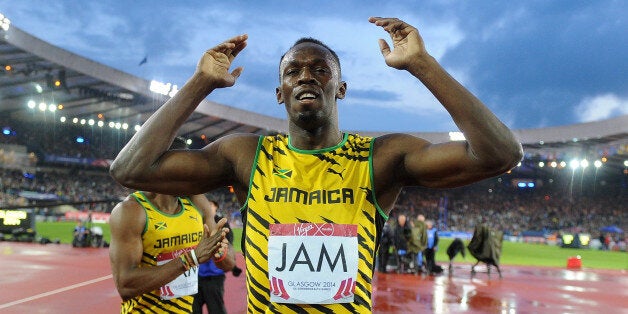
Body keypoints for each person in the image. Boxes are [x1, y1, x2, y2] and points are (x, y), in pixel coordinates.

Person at [111, 16, 522, 312]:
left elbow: (501, 154)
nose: (306, 76)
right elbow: (130, 170)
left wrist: (422, 65)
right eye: (293, 70)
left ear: (339, 88)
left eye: (320, 70)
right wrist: (200, 82)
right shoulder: (247, 155)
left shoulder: (380, 159)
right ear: (279, 92)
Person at [109, 189, 233, 312]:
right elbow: (125, 286)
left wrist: (219, 251)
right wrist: (191, 258)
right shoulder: (132, 210)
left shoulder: (196, 201)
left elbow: (229, 263)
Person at [193, 200, 239, 314]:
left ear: (216, 207)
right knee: (193, 310)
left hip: (214, 276)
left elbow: (229, 246)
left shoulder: (223, 223)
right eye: (205, 204)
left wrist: (233, 266)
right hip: (195, 277)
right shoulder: (195, 221)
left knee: (216, 309)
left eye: (210, 205)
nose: (206, 207)